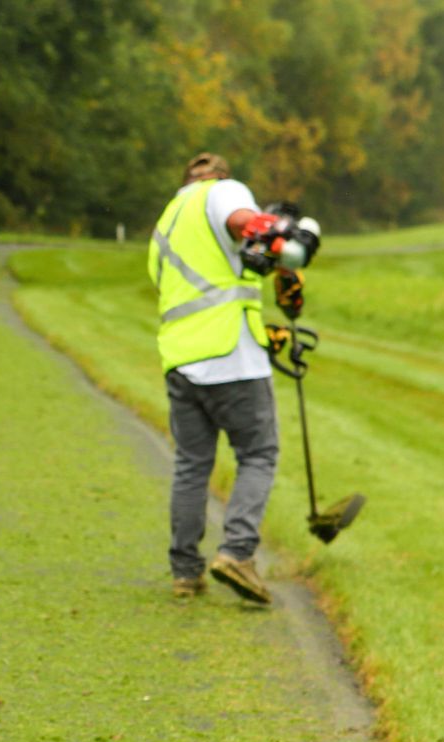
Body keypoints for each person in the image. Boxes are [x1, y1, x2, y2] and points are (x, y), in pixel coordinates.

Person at [147, 151, 314, 605]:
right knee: (259, 454)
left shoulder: (166, 222)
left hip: (181, 360)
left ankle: (185, 572)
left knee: (191, 465)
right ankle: (236, 553)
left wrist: (267, 326)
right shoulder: (223, 192)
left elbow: (211, 287)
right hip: (232, 359)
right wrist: (287, 241)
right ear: (219, 177)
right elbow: (248, 226)